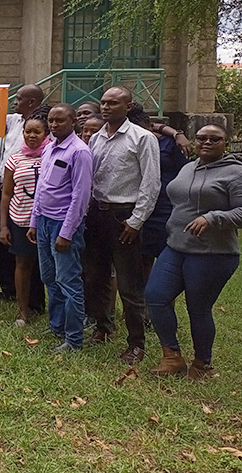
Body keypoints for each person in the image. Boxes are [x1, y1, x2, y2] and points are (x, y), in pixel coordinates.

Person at [145, 124, 242, 378]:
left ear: (225, 143)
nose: (207, 142)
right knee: (155, 295)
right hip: (176, 246)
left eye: (214, 139)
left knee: (198, 307)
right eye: (201, 138)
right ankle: (172, 357)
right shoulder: (189, 167)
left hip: (213, 253)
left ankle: (202, 364)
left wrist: (213, 217)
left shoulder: (238, 174)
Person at [85, 86, 160, 364]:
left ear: (128, 107)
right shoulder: (97, 139)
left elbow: (151, 183)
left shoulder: (142, 138)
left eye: (113, 103)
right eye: (103, 102)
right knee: (95, 276)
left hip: (124, 216)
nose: (106, 107)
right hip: (97, 214)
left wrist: (137, 220)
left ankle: (136, 343)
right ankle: (103, 327)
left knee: (129, 284)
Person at [28, 104, 94, 352]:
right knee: (49, 278)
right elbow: (42, 188)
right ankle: (57, 326)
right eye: (51, 122)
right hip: (43, 221)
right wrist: (34, 221)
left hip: (63, 225)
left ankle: (74, 339)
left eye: (59, 121)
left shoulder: (79, 152)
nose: (54, 126)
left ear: (74, 121)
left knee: (68, 282)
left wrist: (66, 232)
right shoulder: (49, 149)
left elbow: (80, 196)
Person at [127, 104, 188, 285]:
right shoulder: (129, 140)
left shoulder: (170, 144)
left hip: (165, 206)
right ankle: (142, 304)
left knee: (165, 258)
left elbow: (185, 174)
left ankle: (162, 299)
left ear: (150, 126)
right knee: (140, 258)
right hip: (139, 206)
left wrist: (177, 133)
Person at [0, 116, 50, 327]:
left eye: (37, 132)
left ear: (46, 134)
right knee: (23, 264)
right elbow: (6, 194)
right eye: (28, 131)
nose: (31, 135)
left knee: (49, 267)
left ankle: (50, 309)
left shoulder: (52, 155)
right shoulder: (15, 160)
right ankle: (23, 311)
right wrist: (3, 225)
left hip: (47, 220)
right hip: (20, 219)